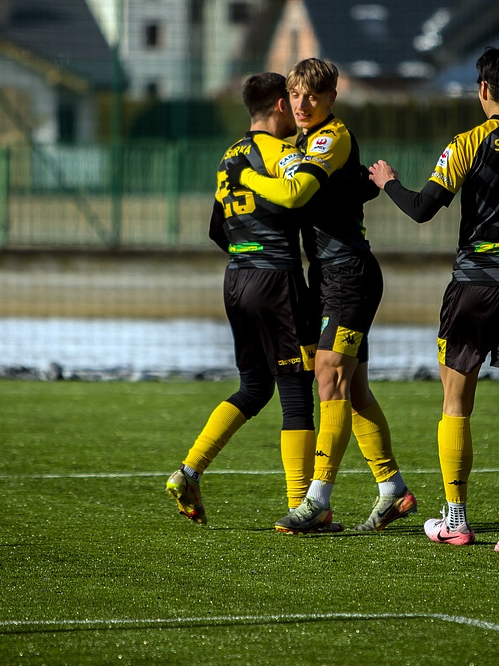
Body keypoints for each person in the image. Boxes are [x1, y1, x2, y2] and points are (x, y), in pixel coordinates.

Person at [368, 44, 499, 553]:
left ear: (483, 88)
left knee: (455, 405)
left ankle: (457, 520)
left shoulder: (468, 143)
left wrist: (389, 182)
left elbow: (423, 208)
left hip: (472, 287)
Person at [230, 58, 417, 534]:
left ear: (332, 98)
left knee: (329, 375)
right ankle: (393, 489)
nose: (302, 104)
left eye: (313, 96)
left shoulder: (328, 137)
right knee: (354, 390)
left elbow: (296, 194)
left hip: (349, 273)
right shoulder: (304, 141)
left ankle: (317, 501)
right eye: (295, 95)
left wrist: (246, 177)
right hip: (328, 275)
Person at [166, 72, 322, 527]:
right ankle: (300, 506)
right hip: (276, 281)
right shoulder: (281, 152)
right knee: (297, 391)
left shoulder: (228, 156)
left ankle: (189, 471)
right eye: (292, 99)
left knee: (254, 387)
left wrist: (248, 253)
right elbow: (298, 196)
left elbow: (217, 228)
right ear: (280, 105)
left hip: (236, 278)